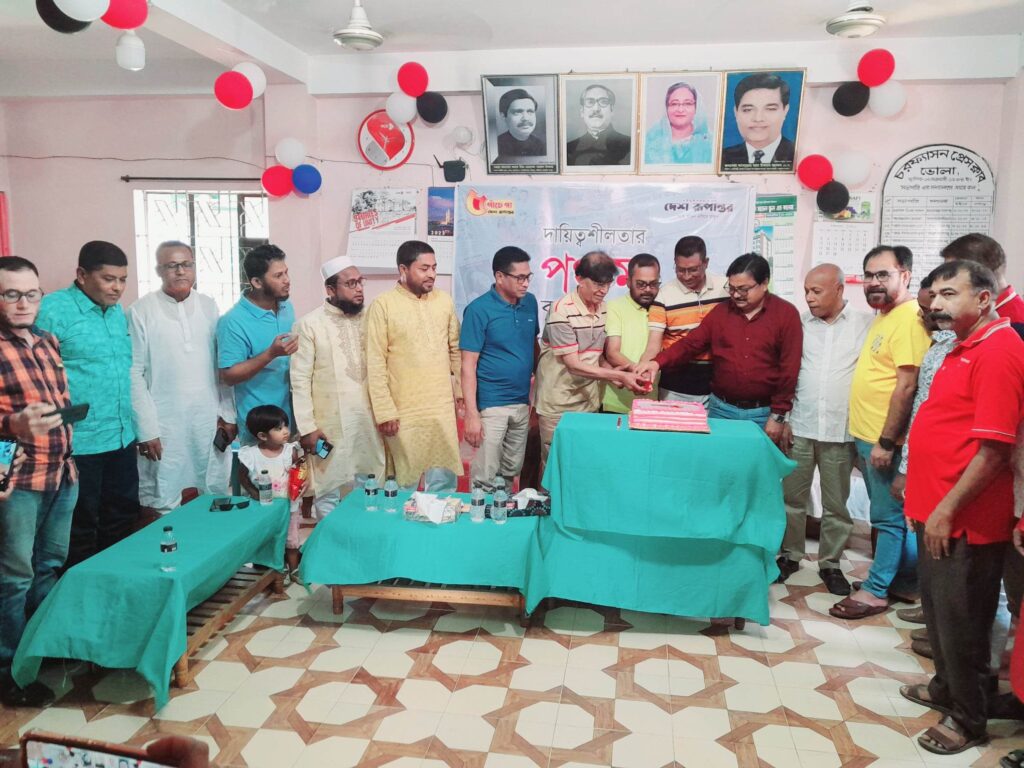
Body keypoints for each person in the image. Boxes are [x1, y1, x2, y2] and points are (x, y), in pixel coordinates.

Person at [898, 260, 1024, 756]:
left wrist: (947, 510)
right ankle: (946, 689)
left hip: (965, 518)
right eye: (935, 294)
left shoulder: (999, 351)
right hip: (936, 508)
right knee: (939, 614)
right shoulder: (960, 345)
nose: (937, 303)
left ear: (985, 298)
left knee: (964, 621)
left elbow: (993, 450)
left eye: (950, 294)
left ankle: (969, 718)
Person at [829, 245, 931, 620]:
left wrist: (888, 442)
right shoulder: (885, 316)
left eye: (882, 274)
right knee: (892, 516)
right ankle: (902, 580)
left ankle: (875, 591)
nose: (873, 282)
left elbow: (908, 386)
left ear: (905, 275)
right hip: (869, 436)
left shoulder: (908, 319)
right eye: (869, 275)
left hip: (886, 441)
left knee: (889, 519)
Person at [0, 256, 77, 708]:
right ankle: (10, 671)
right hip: (18, 481)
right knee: (14, 578)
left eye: (31, 294)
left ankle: (40, 650)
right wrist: (11, 425)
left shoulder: (47, 341)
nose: (23, 303)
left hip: (62, 472)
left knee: (48, 567)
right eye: (11, 294)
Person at [37, 241, 137, 567]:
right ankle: (79, 590)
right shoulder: (53, 311)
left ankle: (115, 582)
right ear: (82, 275)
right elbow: (35, 378)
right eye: (109, 279)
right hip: (79, 443)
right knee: (79, 527)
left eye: (122, 279)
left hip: (121, 436)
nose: (117, 287)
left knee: (121, 517)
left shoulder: (116, 313)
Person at [636, 253, 802, 444]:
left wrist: (778, 416)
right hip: (721, 410)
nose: (736, 295)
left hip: (763, 414)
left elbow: (789, 369)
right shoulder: (721, 312)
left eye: (743, 289)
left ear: (764, 283)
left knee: (757, 463)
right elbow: (691, 344)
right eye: (731, 288)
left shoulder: (786, 315)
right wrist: (657, 363)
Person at [776, 264, 871, 595]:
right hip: (800, 426)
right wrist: (784, 418)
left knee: (836, 506)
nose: (809, 298)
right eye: (806, 291)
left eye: (816, 291)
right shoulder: (799, 325)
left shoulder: (865, 324)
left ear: (839, 289)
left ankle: (830, 563)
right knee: (792, 499)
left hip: (840, 430)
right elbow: (787, 372)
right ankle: (790, 556)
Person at [127, 241, 235, 516]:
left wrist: (228, 414)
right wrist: (147, 429)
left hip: (206, 417)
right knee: (164, 493)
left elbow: (221, 365)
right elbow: (134, 373)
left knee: (213, 485)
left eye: (186, 264)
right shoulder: (140, 310)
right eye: (172, 265)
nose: (180, 271)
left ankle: (212, 540)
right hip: (164, 421)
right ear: (158, 270)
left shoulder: (209, 306)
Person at [290, 256, 385, 518]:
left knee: (370, 482)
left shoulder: (372, 319)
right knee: (329, 488)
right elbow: (299, 380)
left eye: (360, 282)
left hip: (369, 421)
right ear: (331, 289)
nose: (359, 289)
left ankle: (365, 534)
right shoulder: (309, 325)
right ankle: (330, 539)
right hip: (328, 425)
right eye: (351, 283)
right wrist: (307, 427)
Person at [535, 252, 646, 469]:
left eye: (608, 284)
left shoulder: (604, 308)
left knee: (583, 465)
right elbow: (574, 365)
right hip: (559, 405)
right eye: (597, 284)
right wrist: (617, 374)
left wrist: (616, 376)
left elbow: (596, 356)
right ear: (579, 278)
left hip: (589, 403)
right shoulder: (560, 311)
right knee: (555, 467)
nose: (603, 290)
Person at [366, 241, 462, 491]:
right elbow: (375, 362)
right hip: (404, 408)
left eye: (434, 268)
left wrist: (461, 392)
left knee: (443, 477)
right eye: (424, 268)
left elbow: (456, 349)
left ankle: (441, 516)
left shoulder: (444, 301)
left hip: (440, 406)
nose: (431, 274)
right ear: (403, 269)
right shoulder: (383, 305)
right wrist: (384, 411)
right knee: (404, 481)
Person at [460, 246, 539, 490]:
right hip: (492, 404)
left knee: (509, 472)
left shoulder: (530, 303)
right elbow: (468, 365)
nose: (525, 283)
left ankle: (502, 512)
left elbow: (533, 346)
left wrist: (536, 398)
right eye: (520, 278)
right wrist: (471, 414)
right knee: (485, 477)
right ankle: (481, 514)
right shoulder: (478, 310)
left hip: (521, 403)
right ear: (500, 276)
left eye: (528, 277)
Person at [217, 244, 296, 444]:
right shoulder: (233, 321)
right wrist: (270, 353)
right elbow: (228, 376)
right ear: (257, 282)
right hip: (258, 426)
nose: (287, 280)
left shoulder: (286, 308)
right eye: (278, 276)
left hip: (288, 421)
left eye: (286, 272)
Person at [640, 236, 729, 403]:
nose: (687, 276)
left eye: (693, 270)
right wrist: (645, 368)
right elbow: (653, 344)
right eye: (680, 270)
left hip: (719, 387)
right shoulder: (664, 295)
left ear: (706, 263)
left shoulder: (726, 289)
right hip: (676, 387)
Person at [237, 405, 304, 581]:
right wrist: (254, 493)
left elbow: (299, 471)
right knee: (267, 538)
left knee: (291, 539)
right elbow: (242, 477)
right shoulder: (251, 455)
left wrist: (301, 484)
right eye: (279, 428)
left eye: (285, 425)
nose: (286, 431)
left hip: (288, 506)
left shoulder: (290, 451)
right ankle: (270, 569)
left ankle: (294, 569)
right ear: (262, 436)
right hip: (264, 509)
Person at [603, 253, 661, 413]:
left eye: (653, 284)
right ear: (628, 282)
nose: (647, 290)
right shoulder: (614, 307)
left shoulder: (662, 307)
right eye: (641, 284)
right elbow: (612, 353)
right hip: (616, 401)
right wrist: (639, 374)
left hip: (652, 402)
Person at [941, 233, 1024, 322]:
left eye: (951, 274)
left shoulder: (1016, 323)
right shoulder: (980, 311)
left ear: (982, 276)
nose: (944, 281)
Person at [720, 72, 795, 169]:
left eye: (770, 109)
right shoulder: (722, 158)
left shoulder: (796, 155)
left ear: (785, 111)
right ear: (736, 112)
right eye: (748, 110)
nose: (758, 118)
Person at [643, 81, 713, 165]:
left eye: (688, 103)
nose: (680, 109)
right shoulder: (650, 140)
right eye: (674, 104)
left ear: (696, 108)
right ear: (666, 108)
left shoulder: (709, 142)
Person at [566, 84, 631, 166]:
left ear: (612, 110)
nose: (596, 109)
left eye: (603, 102)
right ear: (582, 112)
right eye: (590, 102)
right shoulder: (568, 148)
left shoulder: (630, 145)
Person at [494, 88, 545, 162]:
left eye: (530, 111)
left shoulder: (541, 145)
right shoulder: (495, 146)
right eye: (517, 112)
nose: (525, 118)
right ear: (503, 116)